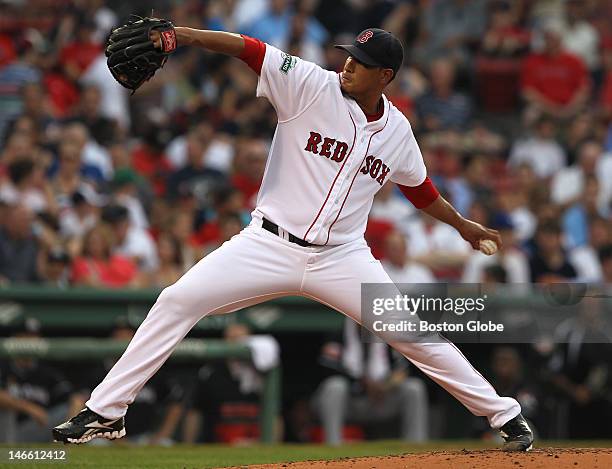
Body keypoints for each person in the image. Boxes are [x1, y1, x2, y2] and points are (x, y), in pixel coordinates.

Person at [53, 26, 532, 451]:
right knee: (177, 300)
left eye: (362, 63)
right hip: (267, 244)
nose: (348, 64)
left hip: (343, 257)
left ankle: (504, 415)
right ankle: (107, 410)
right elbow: (250, 49)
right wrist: (181, 36)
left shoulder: (398, 131)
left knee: (413, 334)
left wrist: (462, 225)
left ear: (385, 76)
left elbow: (419, 189)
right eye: (348, 54)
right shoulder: (311, 84)